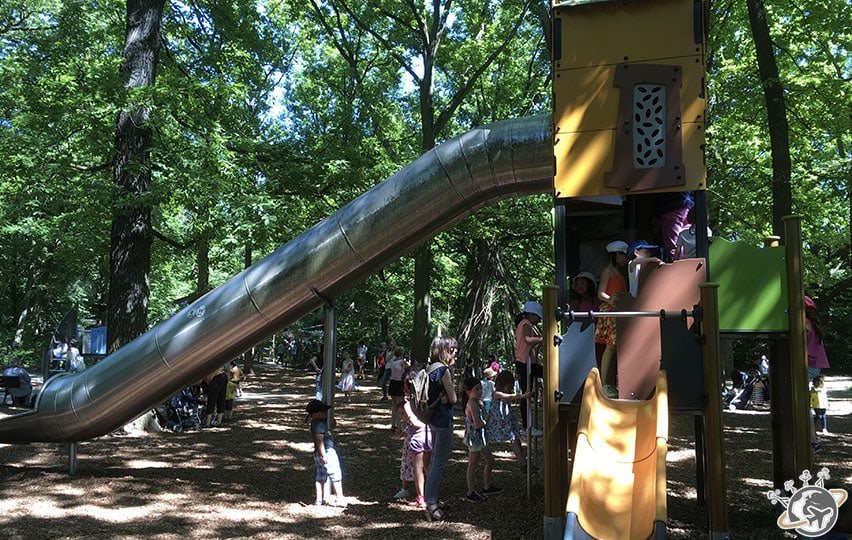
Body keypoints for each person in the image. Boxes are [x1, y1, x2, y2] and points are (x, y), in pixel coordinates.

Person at [423, 335, 458, 522]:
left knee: (435, 459)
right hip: (443, 420)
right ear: (447, 351)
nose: (456, 354)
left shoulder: (429, 368)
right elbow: (453, 399)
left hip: (432, 418)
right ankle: (431, 504)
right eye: (453, 350)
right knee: (438, 462)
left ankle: (431, 499)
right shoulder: (444, 370)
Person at [596, 240, 629, 398]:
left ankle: (614, 381)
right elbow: (601, 293)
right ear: (616, 255)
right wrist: (610, 299)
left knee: (616, 347)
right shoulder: (608, 271)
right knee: (610, 347)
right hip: (611, 311)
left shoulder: (619, 273)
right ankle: (603, 383)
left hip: (619, 311)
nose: (625, 258)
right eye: (623, 254)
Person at [462, 377, 502, 502]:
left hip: (481, 437)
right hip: (475, 439)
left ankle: (487, 486)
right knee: (472, 465)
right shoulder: (472, 404)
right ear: (469, 392)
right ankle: (470, 492)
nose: (480, 391)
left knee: (490, 461)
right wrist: (487, 418)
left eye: (480, 388)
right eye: (476, 389)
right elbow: (478, 424)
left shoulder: (477, 402)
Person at [306, 399, 346, 507]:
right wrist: (324, 455)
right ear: (315, 414)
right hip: (327, 451)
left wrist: (332, 425)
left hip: (318, 453)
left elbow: (327, 430)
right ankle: (340, 497)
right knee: (336, 475)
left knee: (321, 476)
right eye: (323, 412)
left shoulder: (317, 423)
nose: (325, 414)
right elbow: (320, 439)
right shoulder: (318, 425)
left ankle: (319, 499)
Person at [394, 397, 433, 507]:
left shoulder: (413, 420)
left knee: (419, 469)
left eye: (403, 413)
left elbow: (414, 426)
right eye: (400, 414)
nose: (402, 416)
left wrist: (409, 411)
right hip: (423, 440)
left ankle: (423, 496)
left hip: (419, 442)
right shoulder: (420, 414)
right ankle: (428, 494)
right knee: (423, 468)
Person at [485, 370, 529, 462]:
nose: (509, 389)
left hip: (507, 419)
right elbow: (510, 397)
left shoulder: (505, 393)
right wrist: (523, 396)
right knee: (513, 440)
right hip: (500, 421)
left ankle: (523, 461)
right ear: (501, 384)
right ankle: (523, 462)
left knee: (516, 440)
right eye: (508, 387)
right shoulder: (497, 394)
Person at [514, 300, 543, 434]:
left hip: (529, 362)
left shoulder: (527, 324)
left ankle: (529, 425)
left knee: (546, 374)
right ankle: (527, 427)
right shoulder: (525, 324)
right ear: (531, 314)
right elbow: (528, 340)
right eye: (538, 317)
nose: (539, 320)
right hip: (524, 363)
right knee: (526, 394)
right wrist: (544, 339)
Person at [387, 346, 408, 430]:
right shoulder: (402, 362)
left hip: (392, 383)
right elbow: (408, 369)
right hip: (399, 384)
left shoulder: (392, 362)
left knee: (394, 405)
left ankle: (393, 424)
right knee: (400, 406)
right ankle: (399, 427)